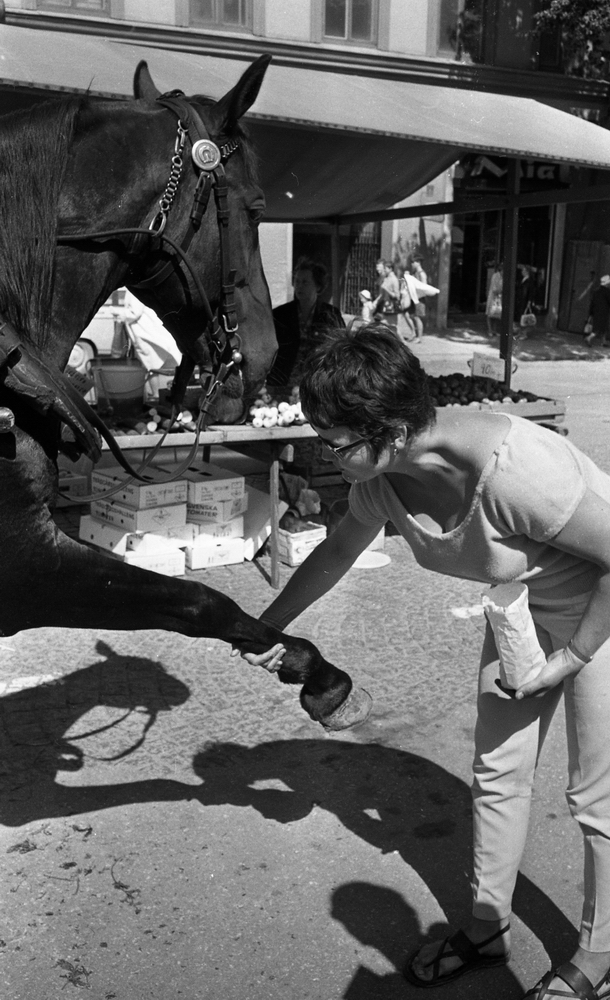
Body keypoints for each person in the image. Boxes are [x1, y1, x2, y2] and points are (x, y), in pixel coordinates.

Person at [238, 324, 610, 1000]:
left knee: (596, 795)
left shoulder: (518, 469)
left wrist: (570, 658)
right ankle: (487, 929)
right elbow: (336, 552)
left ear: (394, 429)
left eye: (335, 443)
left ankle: (599, 953)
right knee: (498, 772)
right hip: (521, 611)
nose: (326, 455)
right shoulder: (385, 479)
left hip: (601, 613)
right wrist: (265, 626)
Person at [266, 257, 345, 387]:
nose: (299, 286)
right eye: (297, 281)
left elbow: (341, 348)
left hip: (317, 384)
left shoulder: (331, 315)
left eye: (305, 282)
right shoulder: (280, 314)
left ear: (318, 286)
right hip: (283, 384)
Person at [372, 259, 401, 332]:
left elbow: (397, 296)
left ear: (390, 269)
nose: (384, 270)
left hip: (392, 306)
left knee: (393, 328)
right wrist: (376, 302)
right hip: (386, 306)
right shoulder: (386, 278)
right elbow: (382, 295)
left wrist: (387, 289)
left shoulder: (394, 280)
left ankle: (400, 339)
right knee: (384, 326)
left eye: (385, 268)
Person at [585, 274, 610, 348]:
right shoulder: (607, 292)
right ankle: (588, 338)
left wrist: (591, 313)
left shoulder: (596, 291)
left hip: (595, 311)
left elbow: (592, 303)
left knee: (603, 328)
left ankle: (604, 342)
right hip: (603, 313)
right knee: (599, 328)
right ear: (607, 283)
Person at [410, 257, 429, 342]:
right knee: (414, 316)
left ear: (418, 262)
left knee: (418, 317)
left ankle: (419, 337)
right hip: (415, 297)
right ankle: (416, 335)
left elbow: (424, 287)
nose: (412, 264)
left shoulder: (422, 274)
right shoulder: (415, 273)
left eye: (413, 262)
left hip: (420, 298)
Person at [485, 262, 503, 337]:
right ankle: (490, 330)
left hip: (499, 297)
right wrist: (501, 291)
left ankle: (494, 330)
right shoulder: (495, 276)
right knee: (490, 313)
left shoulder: (503, 277)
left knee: (496, 313)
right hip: (493, 297)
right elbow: (494, 288)